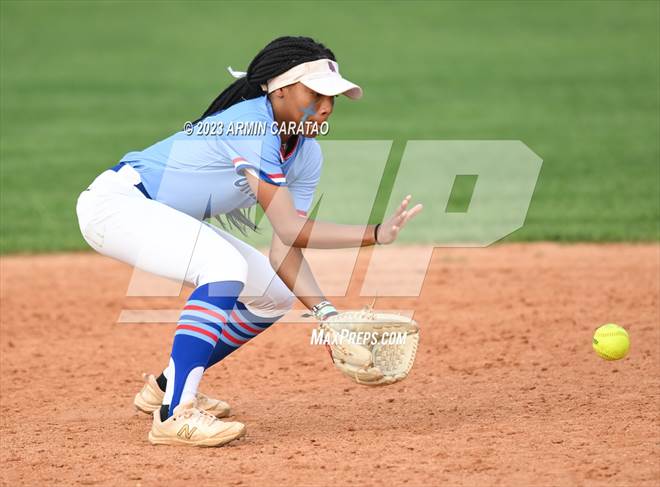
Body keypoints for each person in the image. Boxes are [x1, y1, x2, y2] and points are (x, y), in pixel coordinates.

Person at [76, 36, 422, 447]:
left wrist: (328, 317)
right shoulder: (252, 126)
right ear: (279, 90)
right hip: (116, 207)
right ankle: (175, 415)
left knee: (273, 296)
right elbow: (294, 230)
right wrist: (376, 234)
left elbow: (284, 247)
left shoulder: (306, 153)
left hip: (155, 215)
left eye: (334, 97)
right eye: (316, 93)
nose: (327, 106)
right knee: (223, 266)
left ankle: (166, 388)